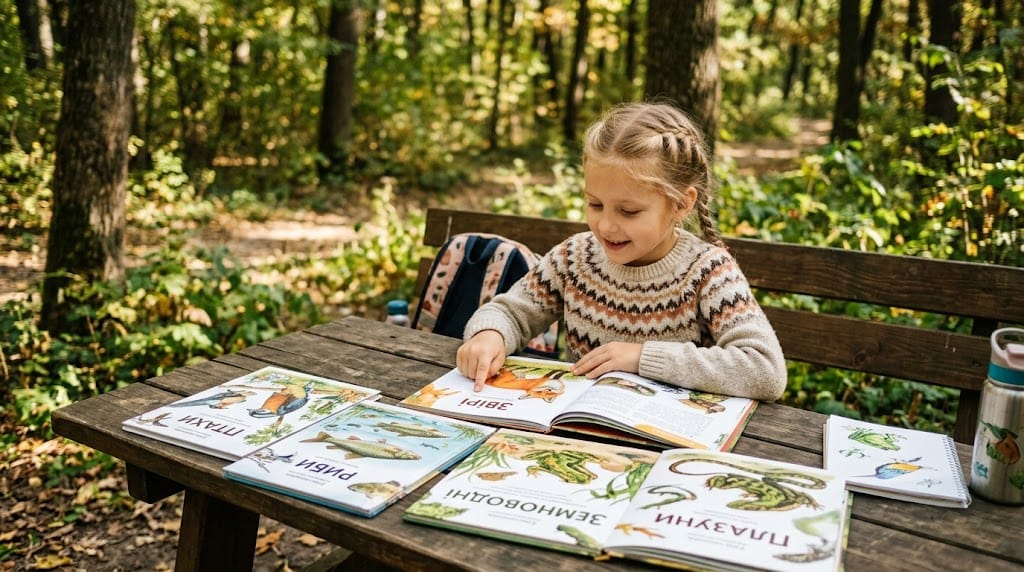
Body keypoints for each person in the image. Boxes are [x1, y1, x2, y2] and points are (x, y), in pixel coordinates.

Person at [455, 101, 787, 401]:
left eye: (629, 212)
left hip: (668, 441)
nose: (606, 226)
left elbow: (764, 369)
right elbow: (511, 312)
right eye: (595, 204)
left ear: (681, 204)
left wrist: (642, 357)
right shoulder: (574, 259)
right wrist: (490, 335)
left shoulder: (707, 272)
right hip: (579, 430)